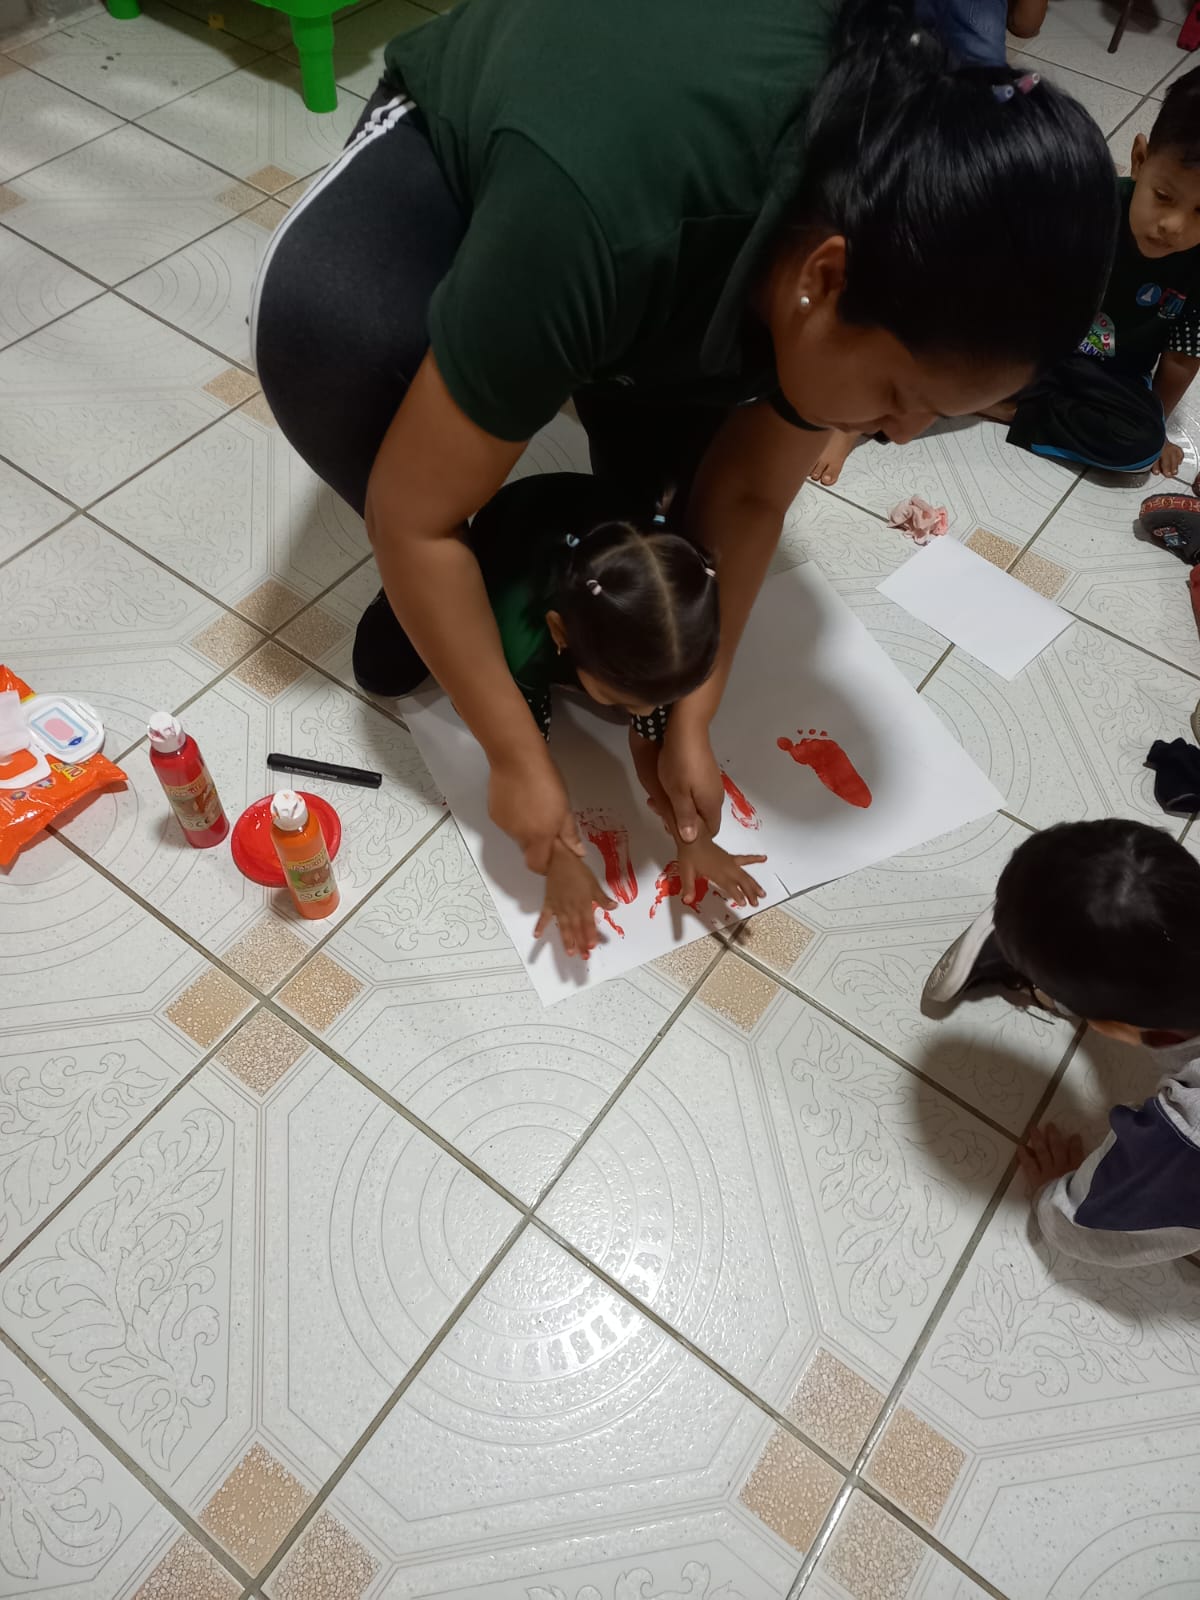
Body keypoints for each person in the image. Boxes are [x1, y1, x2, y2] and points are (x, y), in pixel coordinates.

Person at [252, 0, 1116, 897]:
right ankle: (445, 599)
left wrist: (689, 718)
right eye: (900, 397)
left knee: (669, 492)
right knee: (348, 361)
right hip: (515, 144)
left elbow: (748, 494)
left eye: (934, 413)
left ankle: (525, 509)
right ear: (823, 277)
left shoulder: (895, 211)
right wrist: (514, 753)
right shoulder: (601, 213)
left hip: (646, 215)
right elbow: (415, 518)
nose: (898, 434)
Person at [406, 472, 769, 954]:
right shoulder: (522, 646)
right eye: (623, 698)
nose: (642, 714)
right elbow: (525, 766)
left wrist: (692, 839)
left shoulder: (672, 620)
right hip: (506, 540)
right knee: (389, 667)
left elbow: (650, 742)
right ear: (561, 634)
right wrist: (558, 857)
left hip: (599, 532)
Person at [924, 819, 1200, 1265]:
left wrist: (1055, 1194)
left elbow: (1096, 1228)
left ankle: (1049, 977)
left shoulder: (1183, 1143)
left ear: (1111, 1029)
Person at [1002, 67, 1200, 477]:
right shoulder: (1086, 208)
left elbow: (1181, 360)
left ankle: (1003, 407)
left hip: (1113, 376)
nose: (1174, 225)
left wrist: (1158, 423)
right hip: (1037, 347)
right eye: (1164, 196)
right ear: (1140, 160)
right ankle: (998, 394)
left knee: (1142, 444)